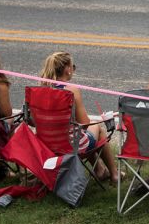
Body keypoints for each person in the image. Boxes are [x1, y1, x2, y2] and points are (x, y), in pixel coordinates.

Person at [38, 52, 117, 181]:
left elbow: (34, 120)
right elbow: (84, 123)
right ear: (67, 69)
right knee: (97, 128)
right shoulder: (71, 90)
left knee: (83, 135)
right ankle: (114, 174)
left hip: (46, 144)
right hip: (69, 146)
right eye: (72, 66)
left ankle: (100, 170)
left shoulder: (40, 90)